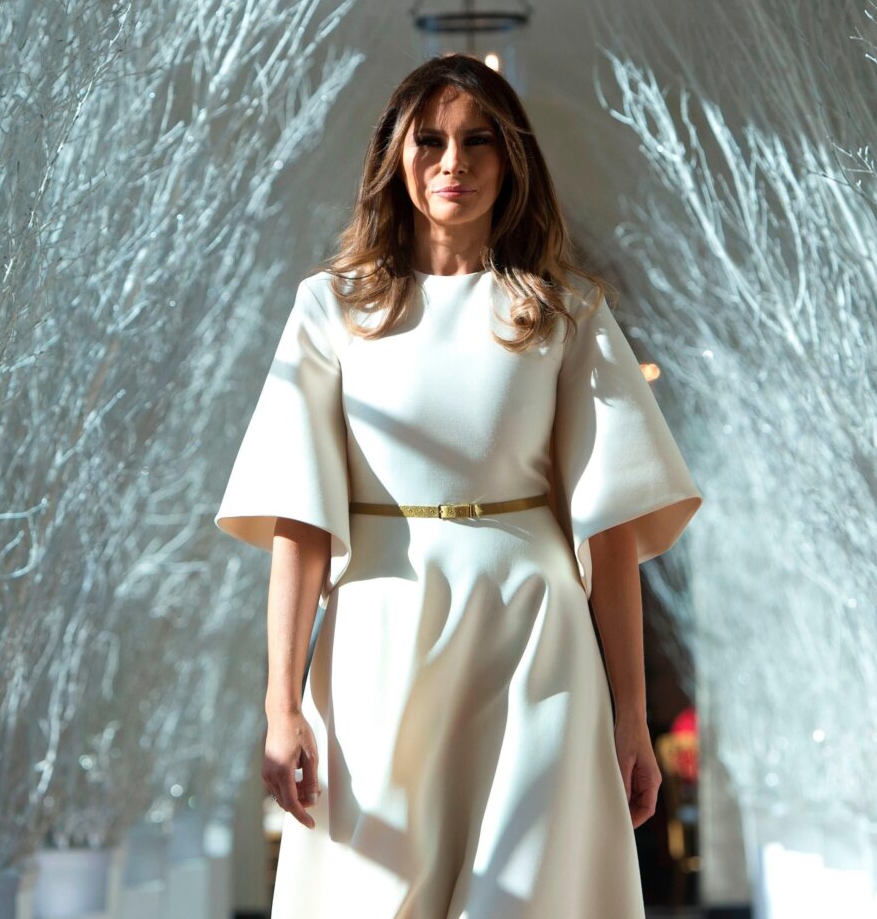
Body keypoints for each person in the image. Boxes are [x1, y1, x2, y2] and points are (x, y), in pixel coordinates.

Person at [215, 53, 704, 918]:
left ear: (512, 159)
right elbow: (299, 523)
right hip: (377, 634)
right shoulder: (330, 310)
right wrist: (279, 707)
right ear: (393, 158)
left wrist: (633, 715)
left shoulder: (567, 310)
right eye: (430, 140)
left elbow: (612, 528)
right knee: (378, 892)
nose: (454, 162)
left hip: (534, 637)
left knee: (526, 892)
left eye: (479, 140)